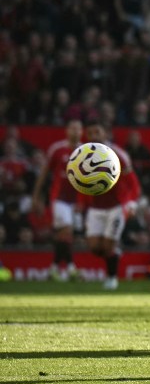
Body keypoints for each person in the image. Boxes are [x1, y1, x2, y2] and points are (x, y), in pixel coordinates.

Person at [79, 121, 142, 290]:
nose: (94, 136)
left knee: (108, 247)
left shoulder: (118, 155)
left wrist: (131, 204)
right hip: (95, 208)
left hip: (116, 207)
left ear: (105, 134)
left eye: (97, 132)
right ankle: (115, 254)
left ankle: (111, 278)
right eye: (90, 133)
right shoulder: (81, 156)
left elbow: (134, 184)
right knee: (94, 248)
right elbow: (80, 183)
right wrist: (81, 202)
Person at [31, 119, 84, 281]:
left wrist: (85, 201)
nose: (75, 132)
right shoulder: (57, 149)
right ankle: (71, 269)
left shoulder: (86, 152)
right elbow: (44, 173)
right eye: (72, 128)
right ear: (66, 131)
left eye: (78, 129)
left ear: (82, 132)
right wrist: (36, 196)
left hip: (76, 200)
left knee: (65, 236)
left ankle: (53, 269)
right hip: (59, 198)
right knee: (66, 231)